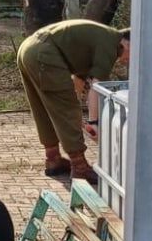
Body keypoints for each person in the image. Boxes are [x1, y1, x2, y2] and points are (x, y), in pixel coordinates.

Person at [16, 19, 131, 185]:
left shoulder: (103, 37)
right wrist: (93, 123)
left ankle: (53, 158)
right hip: (44, 54)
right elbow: (97, 87)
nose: (129, 61)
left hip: (29, 49)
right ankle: (80, 166)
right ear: (128, 42)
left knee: (43, 108)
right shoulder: (111, 44)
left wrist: (74, 107)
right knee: (66, 109)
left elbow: (79, 80)